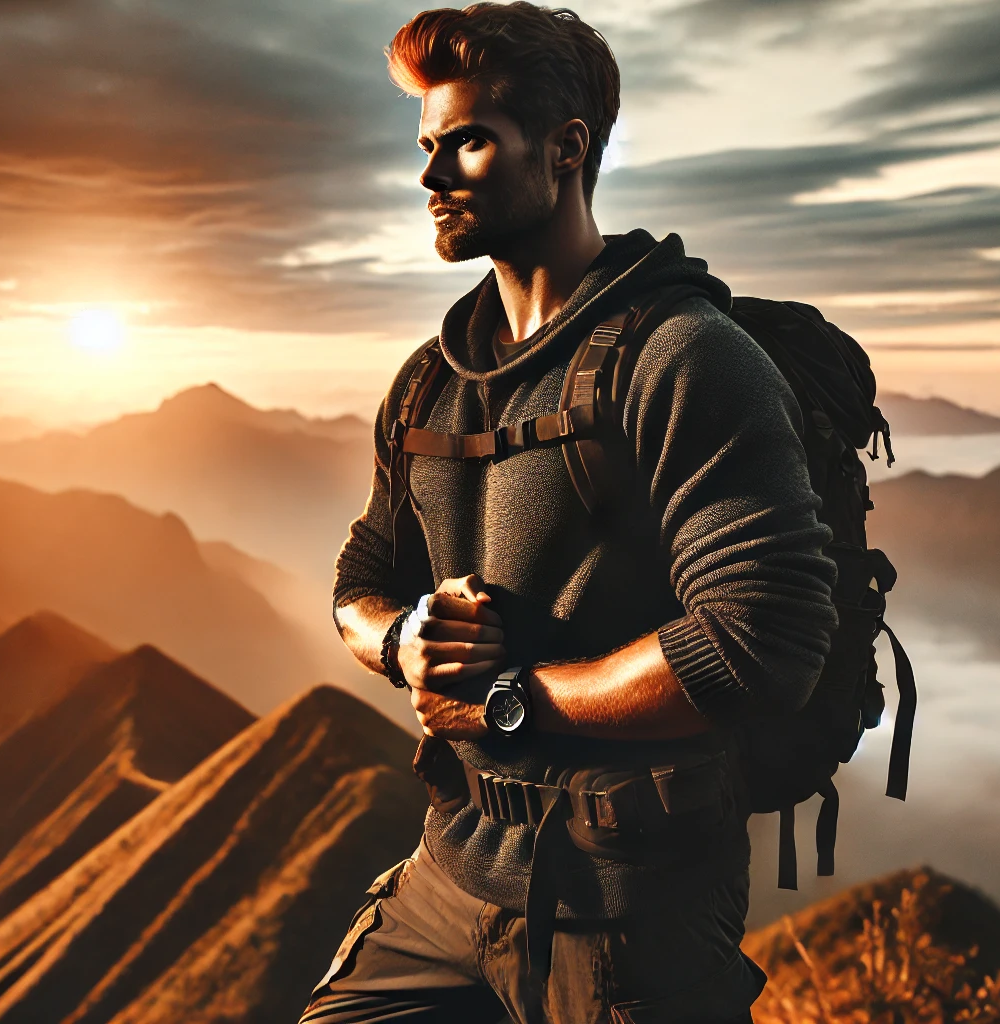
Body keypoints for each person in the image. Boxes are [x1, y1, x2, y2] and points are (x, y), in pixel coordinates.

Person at [302, 5, 840, 1023]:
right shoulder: (427, 383)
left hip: (630, 912)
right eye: (426, 146)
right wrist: (405, 639)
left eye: (466, 141)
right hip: (446, 876)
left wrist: (508, 701)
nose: (430, 176)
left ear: (565, 149)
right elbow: (358, 581)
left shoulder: (685, 358)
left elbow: (761, 644)